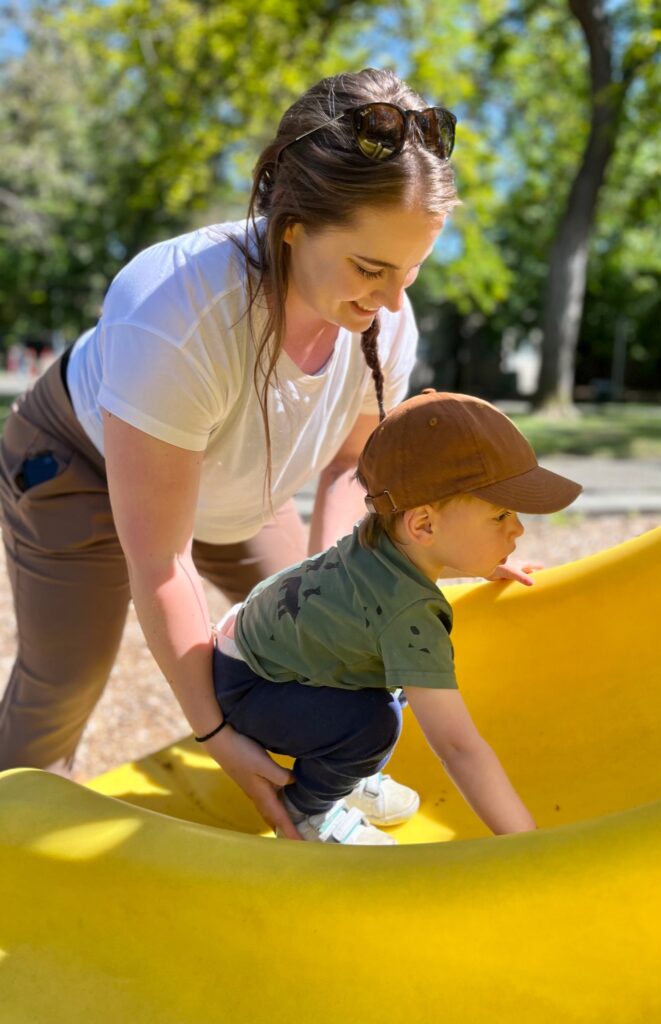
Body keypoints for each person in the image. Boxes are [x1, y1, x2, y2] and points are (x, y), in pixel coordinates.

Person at [0, 68, 461, 838]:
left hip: (233, 476)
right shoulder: (173, 311)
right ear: (292, 223)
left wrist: (351, 588)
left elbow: (352, 466)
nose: (391, 300)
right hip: (80, 463)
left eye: (411, 271)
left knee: (309, 635)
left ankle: (329, 789)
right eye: (371, 268)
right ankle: (12, 834)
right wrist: (218, 738)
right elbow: (162, 562)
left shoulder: (386, 317)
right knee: (67, 675)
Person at [211, 390, 583, 844]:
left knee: (394, 675)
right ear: (423, 525)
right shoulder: (409, 619)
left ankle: (342, 770)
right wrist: (527, 844)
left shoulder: (379, 540)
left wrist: (484, 562)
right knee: (375, 724)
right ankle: (312, 810)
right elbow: (458, 747)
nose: (518, 527)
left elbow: (385, 594)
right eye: (501, 514)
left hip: (250, 648)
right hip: (255, 686)